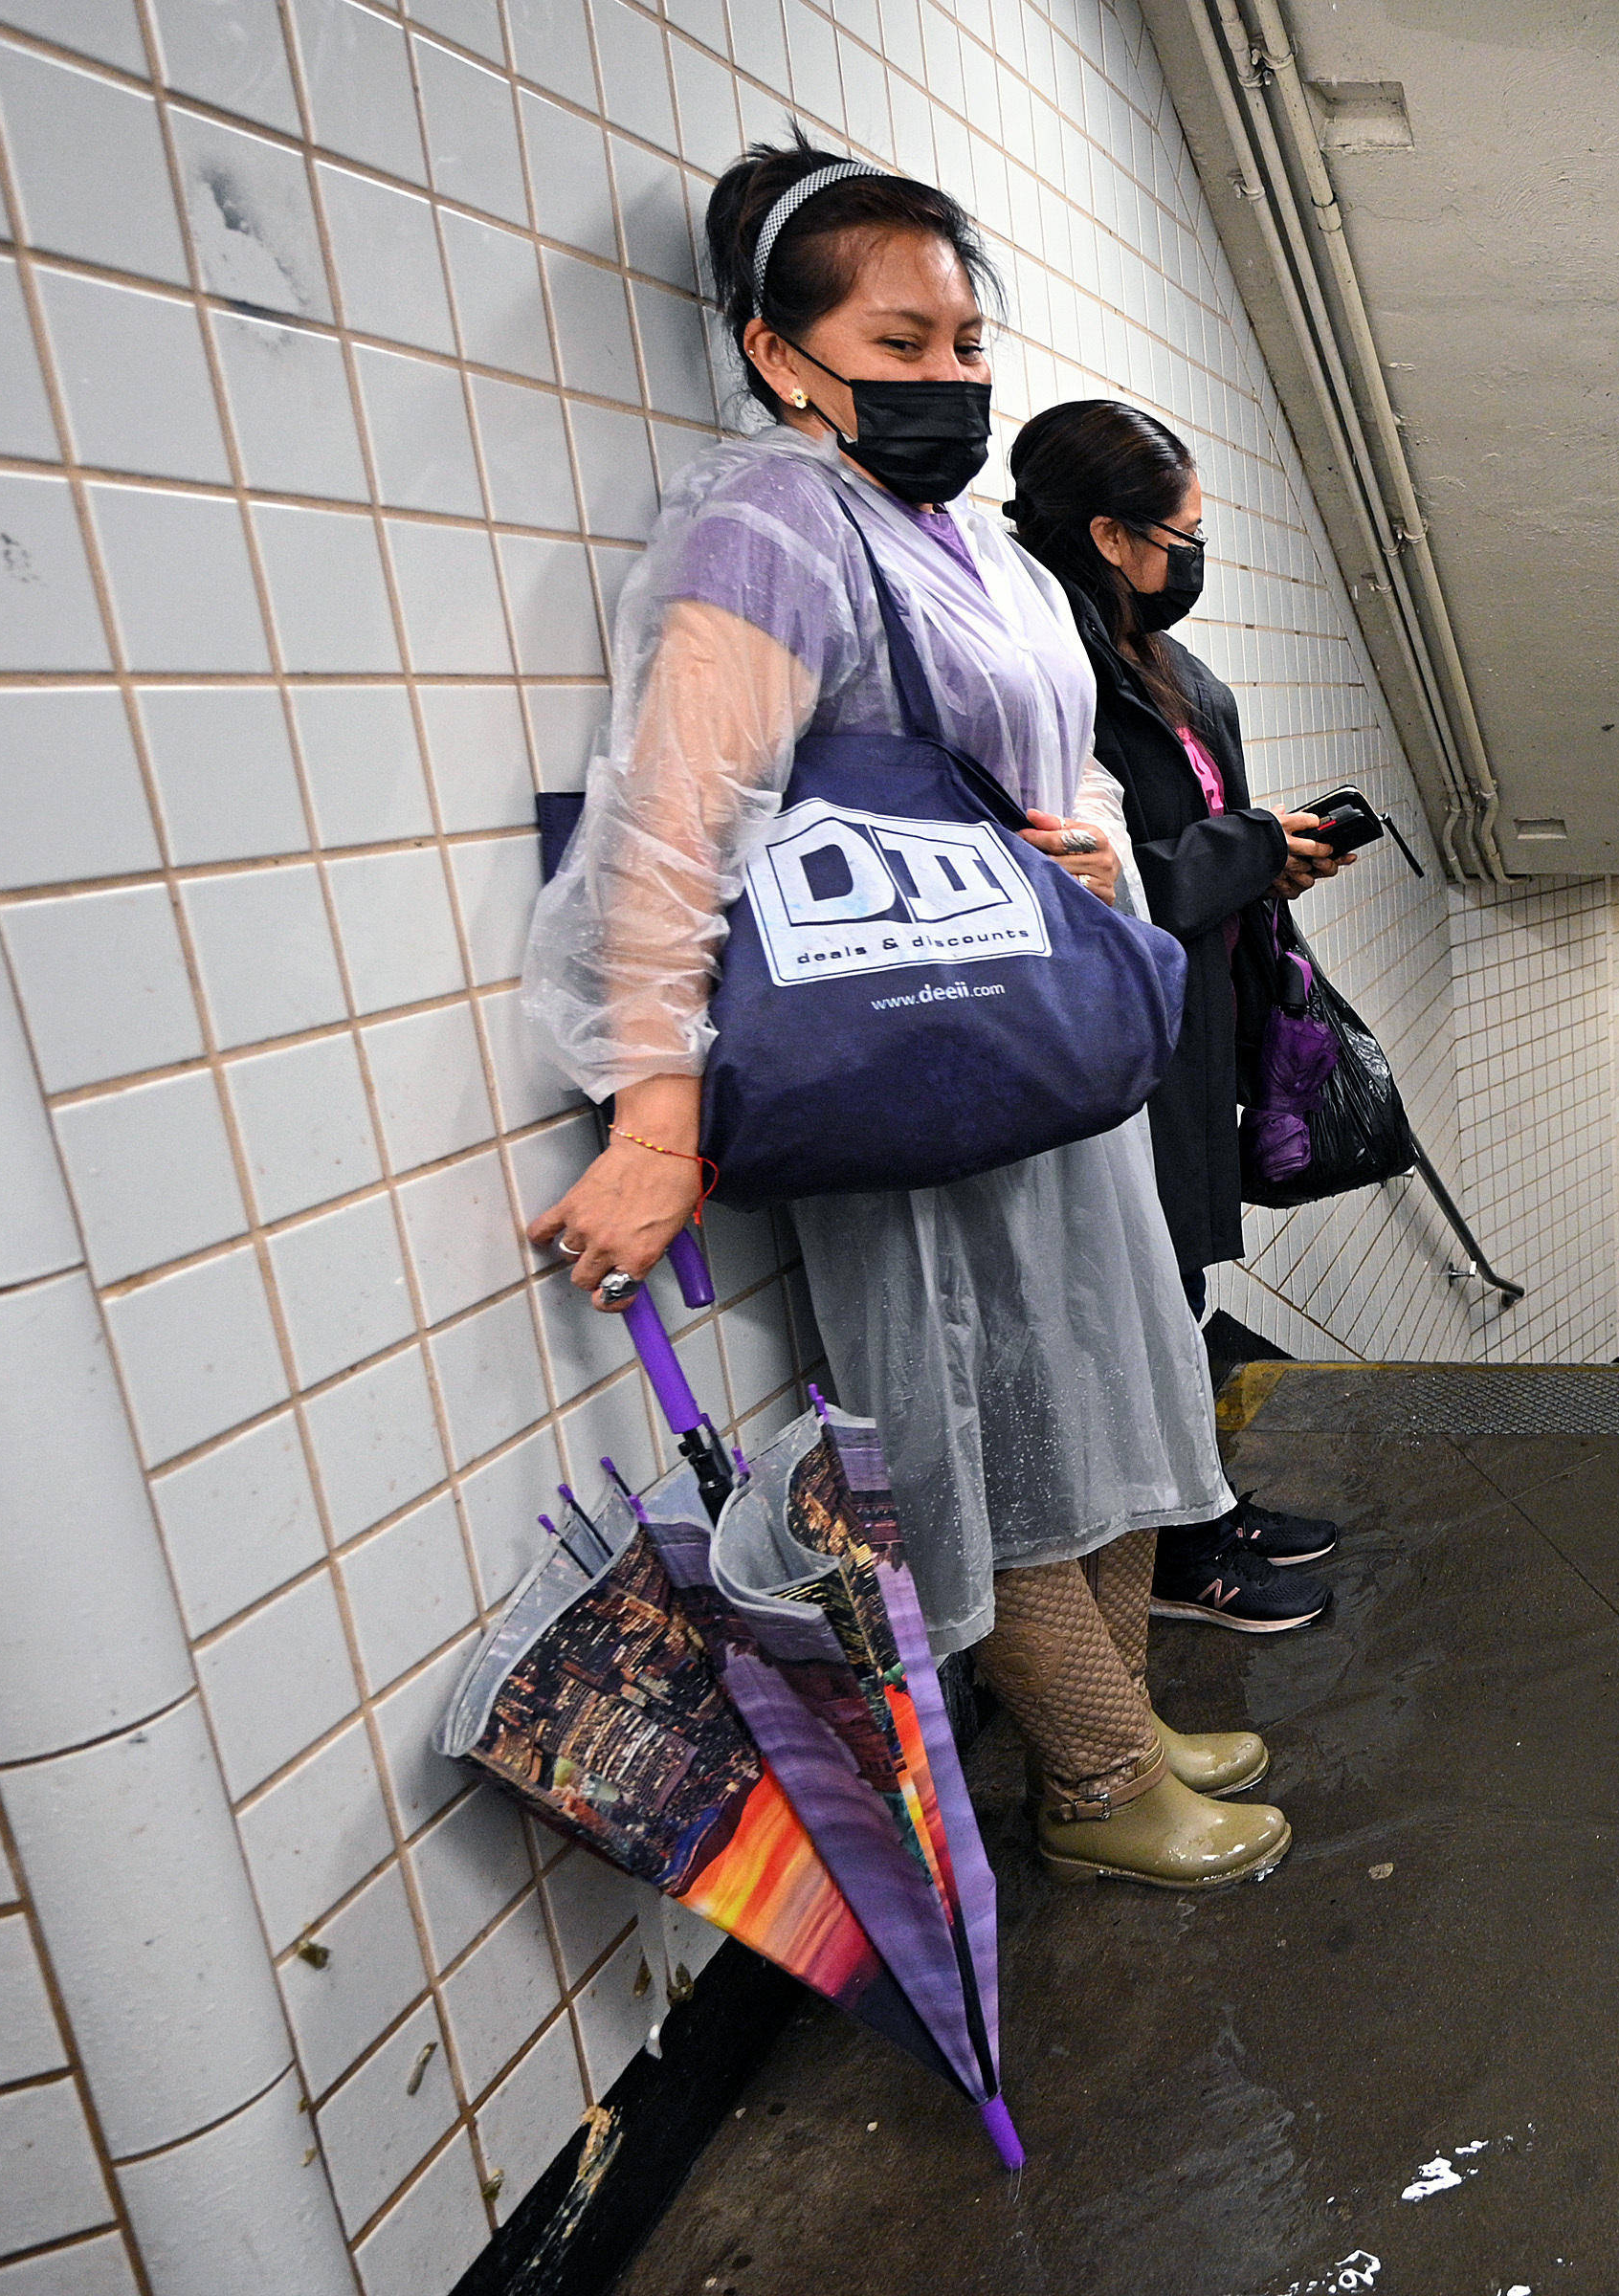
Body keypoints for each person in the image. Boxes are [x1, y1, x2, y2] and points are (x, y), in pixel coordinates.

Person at [518, 137, 1288, 1891]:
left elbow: (1051, 768)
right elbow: (670, 821)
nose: (951, 379)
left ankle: (1124, 1721)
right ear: (782, 353)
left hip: (1043, 1044)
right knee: (996, 1420)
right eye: (898, 345)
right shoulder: (769, 524)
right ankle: (1095, 1785)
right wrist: (657, 1118)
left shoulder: (965, 548)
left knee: (1103, 1396)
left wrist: (1084, 845)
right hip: (911, 1059)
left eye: (964, 340)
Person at [1003, 402, 1364, 1635]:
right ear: (1108, 534)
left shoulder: (1159, 660)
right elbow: (1089, 867)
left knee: (1188, 1276)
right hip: (1117, 1024)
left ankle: (1198, 1504)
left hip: (1196, 999)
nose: (1194, 557)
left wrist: (1274, 859)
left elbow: (1180, 842)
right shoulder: (1053, 666)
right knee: (1145, 1287)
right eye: (1182, 533)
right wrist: (1246, 849)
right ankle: (1174, 1551)